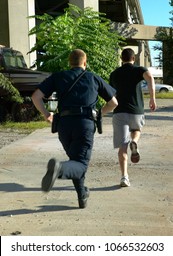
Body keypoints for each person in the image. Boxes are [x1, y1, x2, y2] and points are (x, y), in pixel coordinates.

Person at [32, 49, 118, 208]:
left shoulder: (58, 76)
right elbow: (114, 103)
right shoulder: (93, 78)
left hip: (63, 125)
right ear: (85, 62)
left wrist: (46, 114)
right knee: (80, 163)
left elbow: (36, 96)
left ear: (69, 62)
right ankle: (59, 169)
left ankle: (82, 195)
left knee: (76, 161)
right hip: (84, 124)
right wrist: (99, 114)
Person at [109, 48, 156, 187]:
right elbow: (150, 78)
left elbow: (110, 94)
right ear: (133, 58)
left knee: (122, 147)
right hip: (136, 110)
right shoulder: (138, 70)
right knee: (136, 130)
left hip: (119, 111)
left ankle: (124, 177)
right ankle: (134, 141)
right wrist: (152, 98)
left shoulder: (114, 74)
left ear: (121, 59)